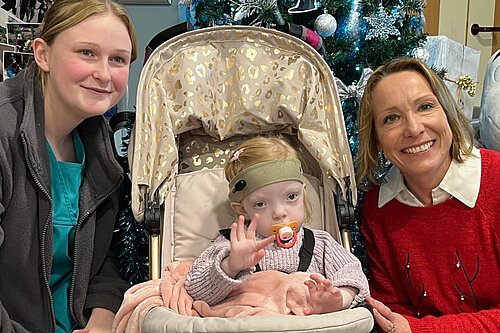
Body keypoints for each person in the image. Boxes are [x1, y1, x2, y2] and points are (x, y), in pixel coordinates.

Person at [0, 0, 138, 332]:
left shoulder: (99, 143)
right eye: (87, 53)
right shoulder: (4, 131)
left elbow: (109, 255)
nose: (104, 74)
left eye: (117, 59)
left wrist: (104, 314)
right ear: (42, 54)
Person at [357, 57, 500, 333]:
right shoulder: (377, 211)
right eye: (391, 118)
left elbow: (408, 327)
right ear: (376, 140)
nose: (413, 129)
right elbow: (393, 317)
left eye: (425, 107)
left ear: (446, 111)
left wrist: (423, 330)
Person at [185, 136, 369, 315]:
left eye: (291, 197)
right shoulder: (231, 245)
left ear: (303, 193)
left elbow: (354, 277)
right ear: (242, 209)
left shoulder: (320, 244)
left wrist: (338, 300)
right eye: (261, 204)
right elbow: (196, 291)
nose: (279, 212)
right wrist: (230, 266)